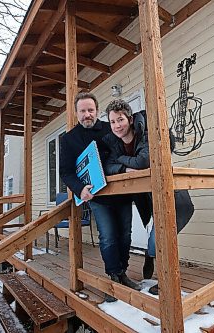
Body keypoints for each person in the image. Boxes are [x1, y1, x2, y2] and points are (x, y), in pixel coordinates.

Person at [103, 99, 194, 295]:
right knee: (159, 235)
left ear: (129, 119)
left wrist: (121, 161)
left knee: (162, 238)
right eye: (112, 122)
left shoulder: (145, 132)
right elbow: (107, 166)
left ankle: (164, 279)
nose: (117, 126)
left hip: (173, 195)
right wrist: (124, 167)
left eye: (120, 120)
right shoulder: (113, 142)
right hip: (149, 196)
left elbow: (144, 161)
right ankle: (155, 260)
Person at [59, 92, 140, 303]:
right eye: (83, 111)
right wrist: (79, 189)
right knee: (108, 236)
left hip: (121, 193)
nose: (87, 114)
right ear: (76, 113)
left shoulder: (109, 128)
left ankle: (123, 272)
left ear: (96, 110)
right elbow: (66, 172)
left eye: (91, 110)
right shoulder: (68, 139)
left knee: (125, 234)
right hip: (97, 197)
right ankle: (113, 276)